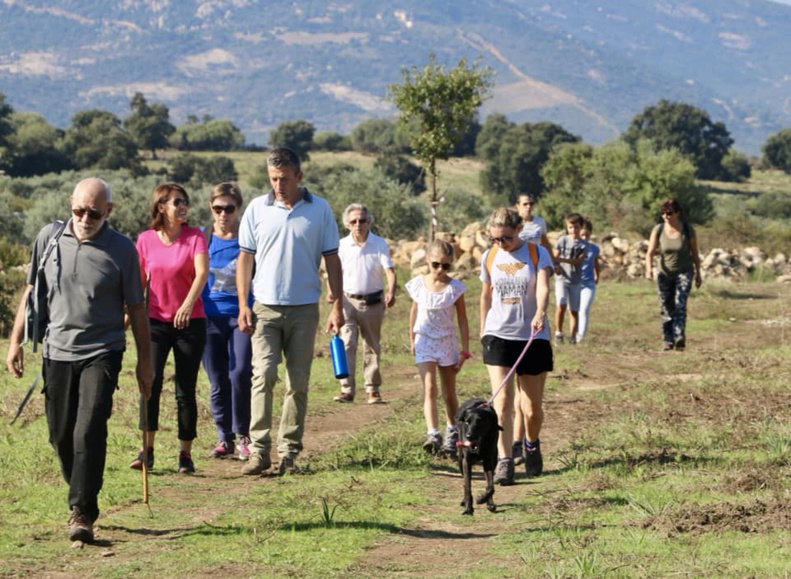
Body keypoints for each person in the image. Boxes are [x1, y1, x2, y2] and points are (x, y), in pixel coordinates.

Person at [5, 177, 153, 544]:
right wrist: (16, 341)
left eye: (94, 212)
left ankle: (83, 511)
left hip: (102, 351)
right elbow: (30, 291)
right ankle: (83, 486)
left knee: (88, 428)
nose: (85, 218)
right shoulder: (48, 238)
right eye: (79, 210)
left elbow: (136, 308)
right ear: (70, 203)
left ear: (109, 211)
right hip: (56, 349)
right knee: (59, 434)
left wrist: (145, 363)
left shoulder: (122, 250)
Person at [236, 147, 344, 476]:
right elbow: (245, 259)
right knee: (264, 375)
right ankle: (258, 451)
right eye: (273, 178)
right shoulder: (257, 209)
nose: (278, 185)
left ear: (299, 175)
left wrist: (336, 304)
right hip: (264, 307)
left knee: (298, 382)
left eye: (284, 178)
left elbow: (332, 259)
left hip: (304, 309)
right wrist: (243, 304)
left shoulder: (320, 209)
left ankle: (289, 451)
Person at [133, 183, 209, 474]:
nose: (182, 205)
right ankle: (147, 450)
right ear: (161, 206)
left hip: (191, 323)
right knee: (148, 384)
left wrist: (187, 305)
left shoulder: (195, 237)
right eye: (176, 201)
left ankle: (185, 454)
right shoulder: (145, 240)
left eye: (184, 201)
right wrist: (127, 316)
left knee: (184, 389)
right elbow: (137, 283)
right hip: (154, 322)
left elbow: (201, 274)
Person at [480, 207, 554, 485]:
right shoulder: (489, 257)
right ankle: (504, 460)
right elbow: (485, 296)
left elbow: (543, 287)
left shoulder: (537, 254)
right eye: (495, 239)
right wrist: (482, 331)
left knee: (532, 407)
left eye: (506, 238)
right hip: (498, 334)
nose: (501, 244)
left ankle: (531, 443)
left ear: (519, 230)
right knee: (502, 402)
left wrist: (540, 312)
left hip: (533, 336)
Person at [201, 183, 253, 461]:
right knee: (218, 379)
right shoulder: (201, 238)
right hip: (208, 317)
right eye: (218, 208)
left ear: (238, 209)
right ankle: (225, 437)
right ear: (211, 208)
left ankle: (244, 434)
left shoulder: (248, 238)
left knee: (241, 372)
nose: (223, 214)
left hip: (241, 315)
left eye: (229, 208)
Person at [406, 239, 470, 458]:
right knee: (429, 388)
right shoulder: (418, 284)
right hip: (424, 340)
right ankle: (433, 434)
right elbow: (414, 311)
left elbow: (462, 318)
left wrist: (465, 350)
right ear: (427, 261)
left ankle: (453, 431)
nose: (440, 270)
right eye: (436, 265)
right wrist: (412, 338)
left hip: (446, 343)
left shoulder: (454, 288)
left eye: (446, 266)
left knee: (449, 392)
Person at [330, 204, 397, 405]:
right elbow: (333, 273)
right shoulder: (341, 245)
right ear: (347, 224)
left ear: (369, 222)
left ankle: (372, 389)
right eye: (353, 221)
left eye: (362, 220)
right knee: (347, 343)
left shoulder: (378, 243)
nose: (358, 224)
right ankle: (347, 389)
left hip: (373, 302)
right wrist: (332, 294)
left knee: (372, 345)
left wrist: (391, 291)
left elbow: (389, 271)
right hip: (347, 301)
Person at [645, 198, 702, 351]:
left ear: (678, 213)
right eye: (663, 213)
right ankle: (667, 339)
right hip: (664, 273)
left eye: (669, 213)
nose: (666, 216)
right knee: (666, 306)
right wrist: (649, 270)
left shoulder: (688, 230)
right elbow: (650, 253)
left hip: (684, 271)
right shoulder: (658, 230)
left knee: (680, 303)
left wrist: (698, 274)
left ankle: (679, 336)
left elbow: (695, 254)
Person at [552, 212, 588, 345]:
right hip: (562, 279)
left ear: (581, 228)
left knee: (574, 310)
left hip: (575, 280)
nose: (574, 230)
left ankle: (573, 336)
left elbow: (577, 262)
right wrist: (556, 265)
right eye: (571, 227)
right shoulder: (562, 240)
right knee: (561, 304)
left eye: (577, 227)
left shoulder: (584, 245)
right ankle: (558, 333)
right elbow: (554, 255)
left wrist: (560, 259)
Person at [576, 217, 601, 343]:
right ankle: (573, 334)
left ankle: (581, 337)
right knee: (574, 310)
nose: (585, 238)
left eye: (587, 235)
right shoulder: (573, 247)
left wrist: (597, 275)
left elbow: (595, 262)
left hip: (588, 284)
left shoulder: (594, 248)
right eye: (582, 235)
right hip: (574, 283)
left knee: (584, 309)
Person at [515, 193, 555, 259]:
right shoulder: (512, 223)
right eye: (525, 204)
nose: (529, 206)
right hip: (519, 258)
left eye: (531, 204)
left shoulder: (540, 222)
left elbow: (545, 243)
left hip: (536, 258)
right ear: (517, 206)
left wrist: (552, 261)